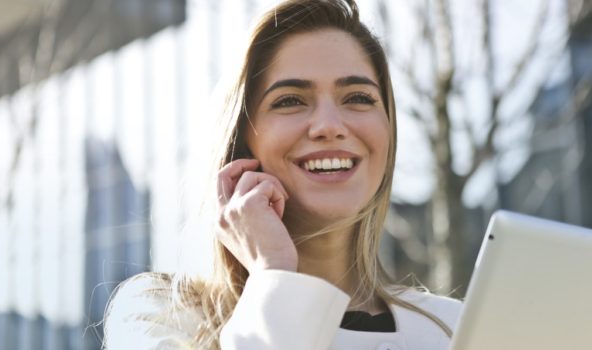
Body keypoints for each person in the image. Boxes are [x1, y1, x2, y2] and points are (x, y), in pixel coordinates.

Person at [103, 0, 462, 349]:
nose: (329, 126)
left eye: (358, 97)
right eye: (290, 100)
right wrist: (274, 275)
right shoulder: (161, 319)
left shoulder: (454, 327)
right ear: (243, 141)